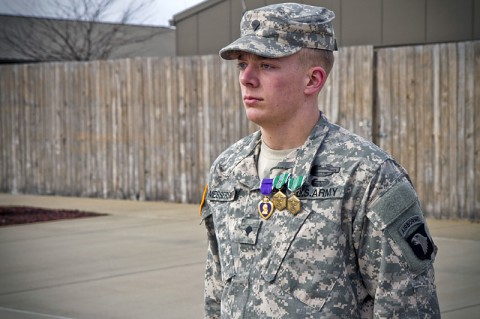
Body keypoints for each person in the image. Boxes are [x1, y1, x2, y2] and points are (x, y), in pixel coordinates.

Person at [200, 3, 440, 318]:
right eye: (242, 64)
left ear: (312, 80)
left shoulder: (368, 176)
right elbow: (217, 294)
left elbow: (408, 308)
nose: (246, 77)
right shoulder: (227, 169)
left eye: (267, 65)